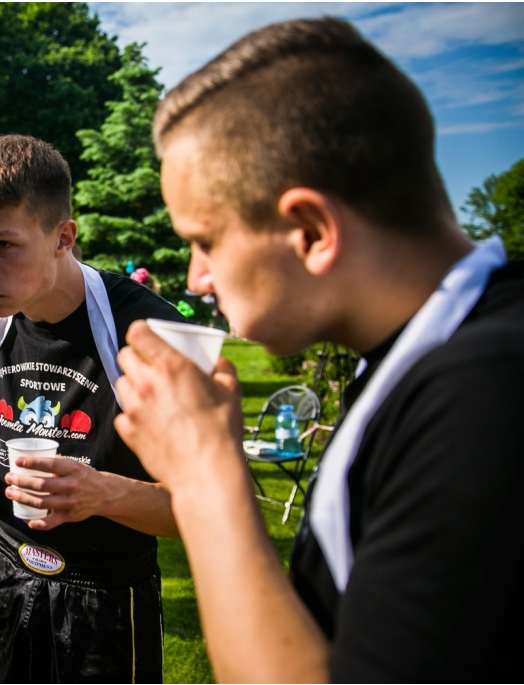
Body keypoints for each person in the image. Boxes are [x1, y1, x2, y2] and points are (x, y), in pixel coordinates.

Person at [113, 17, 524, 683]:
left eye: (206, 241)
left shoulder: (484, 395)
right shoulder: (420, 357)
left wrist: (204, 474)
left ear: (309, 231)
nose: (196, 279)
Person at [0, 135, 184, 682]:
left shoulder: (149, 333)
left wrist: (101, 493)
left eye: (4, 245)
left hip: (106, 592)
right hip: (2, 572)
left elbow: (207, 510)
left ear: (62, 238)